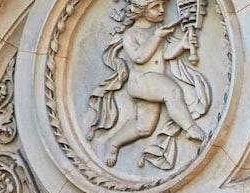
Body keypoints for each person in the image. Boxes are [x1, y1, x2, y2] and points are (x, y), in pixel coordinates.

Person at [87, 0, 208, 168]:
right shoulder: (132, 34)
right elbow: (139, 57)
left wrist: (182, 45)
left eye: (163, 6)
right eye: (155, 7)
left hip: (153, 84)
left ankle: (114, 144)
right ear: (141, 10)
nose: (161, 10)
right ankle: (190, 128)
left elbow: (165, 54)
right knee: (172, 91)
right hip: (140, 82)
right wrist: (157, 37)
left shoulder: (156, 30)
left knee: (144, 128)